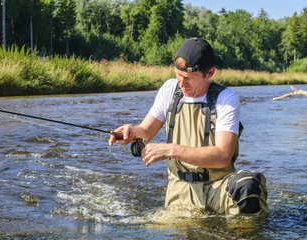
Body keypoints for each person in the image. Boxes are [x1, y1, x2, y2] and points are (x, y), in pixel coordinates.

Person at [109, 38, 269, 215]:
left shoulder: (226, 99)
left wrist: (170, 150)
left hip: (219, 186)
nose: (181, 83)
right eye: (178, 75)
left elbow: (223, 156)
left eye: (188, 78)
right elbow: (145, 131)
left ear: (210, 73)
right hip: (180, 190)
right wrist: (130, 131)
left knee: (248, 185)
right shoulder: (170, 89)